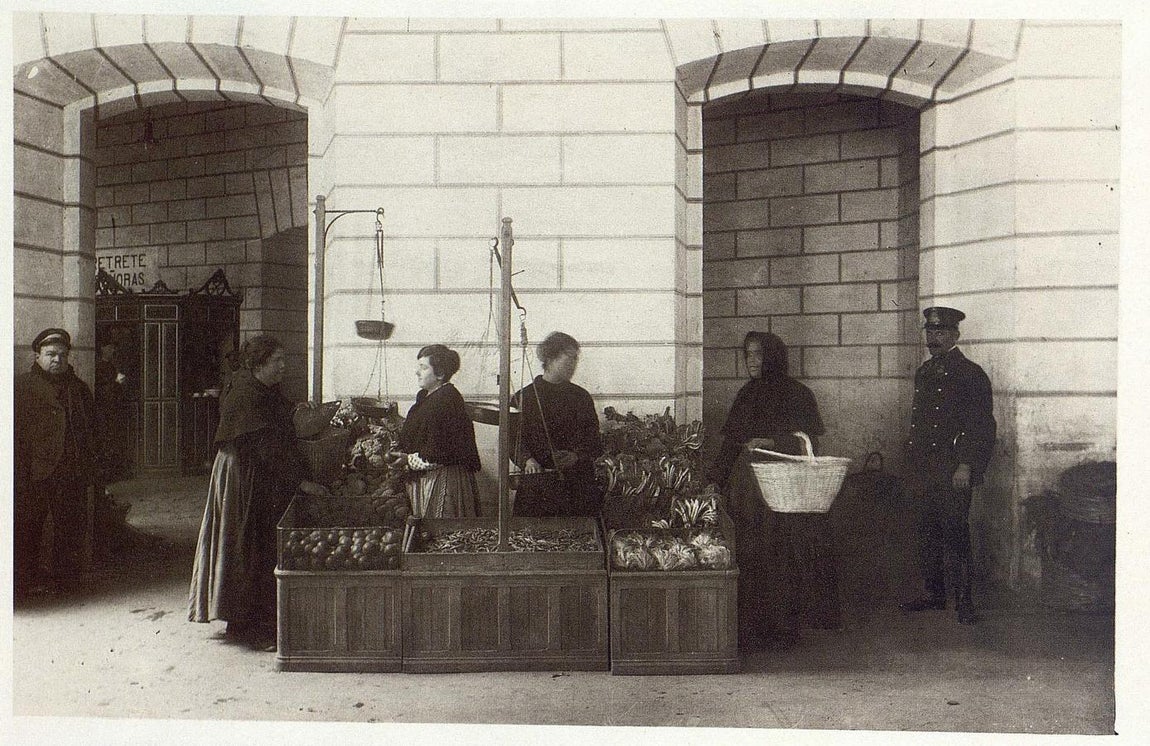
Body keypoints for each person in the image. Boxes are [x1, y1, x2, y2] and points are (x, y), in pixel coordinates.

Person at [188, 334, 328, 650]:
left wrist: (297, 409)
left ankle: (246, 621)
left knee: (252, 542)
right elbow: (266, 444)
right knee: (246, 541)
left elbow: (278, 412)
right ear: (258, 363)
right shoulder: (243, 394)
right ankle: (248, 627)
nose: (283, 366)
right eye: (277, 361)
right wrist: (301, 481)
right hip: (241, 474)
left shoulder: (259, 387)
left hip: (254, 469)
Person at [707, 331, 837, 649]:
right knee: (749, 555)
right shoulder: (746, 394)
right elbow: (730, 446)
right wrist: (714, 481)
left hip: (785, 493)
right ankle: (753, 628)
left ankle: (783, 631)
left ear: (774, 358)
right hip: (749, 492)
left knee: (783, 559)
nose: (751, 361)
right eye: (748, 354)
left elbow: (810, 444)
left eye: (759, 355)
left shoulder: (798, 394)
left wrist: (773, 442)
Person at [899, 307, 996, 626]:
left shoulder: (971, 373)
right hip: (924, 467)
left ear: (956, 335)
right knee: (926, 530)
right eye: (929, 332)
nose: (933, 338)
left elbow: (981, 425)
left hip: (953, 468)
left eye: (940, 333)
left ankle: (965, 599)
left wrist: (967, 465)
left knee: (956, 531)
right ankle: (935, 593)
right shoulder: (925, 371)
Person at [14, 328, 98, 598]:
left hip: (71, 470)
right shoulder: (20, 388)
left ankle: (67, 581)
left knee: (70, 525)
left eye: (62, 355)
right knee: (28, 525)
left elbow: (93, 431)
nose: (57, 360)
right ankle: (24, 581)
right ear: (37, 355)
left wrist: (89, 465)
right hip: (33, 470)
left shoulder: (80, 389)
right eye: (50, 354)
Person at [511, 331, 603, 518]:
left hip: (576, 487)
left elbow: (594, 441)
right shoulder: (523, 397)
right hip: (536, 489)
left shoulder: (581, 397)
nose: (574, 364)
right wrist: (527, 459)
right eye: (569, 358)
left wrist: (576, 456)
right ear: (550, 358)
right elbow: (511, 440)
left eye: (576, 359)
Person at [393, 344, 482, 518]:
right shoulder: (427, 397)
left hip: (445, 479)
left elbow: (441, 451)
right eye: (418, 367)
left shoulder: (447, 399)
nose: (417, 372)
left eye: (424, 367)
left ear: (440, 374)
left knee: (443, 534)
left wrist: (408, 459)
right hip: (428, 477)